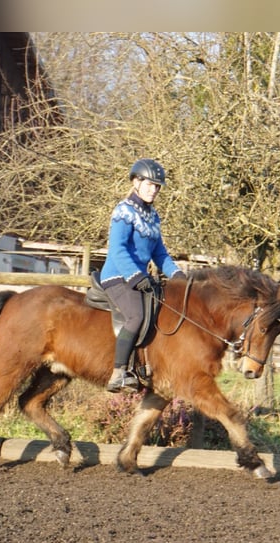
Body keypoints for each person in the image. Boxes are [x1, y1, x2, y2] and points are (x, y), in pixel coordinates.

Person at [99, 158, 187, 393]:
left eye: (157, 186)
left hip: (141, 278)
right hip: (117, 276)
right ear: (136, 182)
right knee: (136, 315)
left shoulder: (153, 216)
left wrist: (178, 275)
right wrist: (136, 276)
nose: (154, 189)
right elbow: (117, 249)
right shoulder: (123, 211)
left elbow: (159, 253)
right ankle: (118, 373)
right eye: (150, 184)